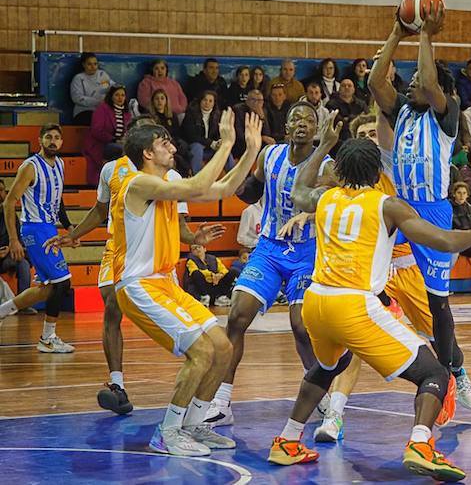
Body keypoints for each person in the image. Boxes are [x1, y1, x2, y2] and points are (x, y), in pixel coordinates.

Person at [268, 133, 471, 482]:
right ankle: (421, 444)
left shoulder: (324, 197)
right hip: (353, 305)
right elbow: (443, 240)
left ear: (340, 170)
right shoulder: (387, 204)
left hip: (316, 302)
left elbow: (299, 186)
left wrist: (324, 146)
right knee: (435, 373)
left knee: (331, 365)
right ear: (378, 172)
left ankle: (286, 440)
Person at [107, 109, 262, 456]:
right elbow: (198, 186)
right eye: (163, 143)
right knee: (202, 352)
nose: (172, 147)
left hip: (165, 283)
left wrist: (250, 151)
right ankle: (167, 431)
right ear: (147, 153)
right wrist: (225, 144)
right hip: (139, 285)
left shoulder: (165, 181)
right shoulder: (138, 182)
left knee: (222, 348)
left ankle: (193, 425)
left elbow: (218, 189)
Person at [45, 117, 225, 414]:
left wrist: (194, 238)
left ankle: (195, 390)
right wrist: (73, 235)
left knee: (199, 342)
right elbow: (100, 210)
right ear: (143, 147)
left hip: (157, 260)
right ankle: (118, 383)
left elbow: (179, 224)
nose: (163, 142)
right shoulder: (111, 171)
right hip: (120, 252)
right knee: (113, 307)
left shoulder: (172, 176)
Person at [368, 4, 471, 413]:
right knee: (363, 286)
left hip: (432, 209)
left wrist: (426, 35)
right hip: (398, 208)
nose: (412, 83)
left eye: (417, 80)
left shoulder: (446, 113)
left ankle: (455, 371)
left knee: (438, 304)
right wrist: (399, 32)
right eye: (412, 80)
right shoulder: (401, 110)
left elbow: (431, 80)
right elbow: (374, 80)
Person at [204, 103, 339, 427]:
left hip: (307, 251)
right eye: (296, 118)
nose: (302, 123)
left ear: (318, 128)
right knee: (236, 316)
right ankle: (222, 402)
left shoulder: (328, 165)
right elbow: (251, 192)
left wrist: (307, 214)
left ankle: (318, 390)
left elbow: (329, 206)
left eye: (309, 119)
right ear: (287, 127)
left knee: (301, 327)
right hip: (269, 248)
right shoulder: (270, 155)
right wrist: (237, 164)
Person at [0, 124, 75, 351]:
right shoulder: (31, 166)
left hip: (49, 228)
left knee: (48, 288)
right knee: (62, 283)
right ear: (40, 140)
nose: (53, 141)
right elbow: (9, 201)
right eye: (48, 137)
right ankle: (47, 339)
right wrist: (13, 239)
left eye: (57, 138)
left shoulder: (60, 164)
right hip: (34, 229)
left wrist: (70, 226)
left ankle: (2, 311)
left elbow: (57, 200)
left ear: (62, 142)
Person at [0, 180, 36, 315]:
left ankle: (22, 305)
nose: (0, 194)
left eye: (2, 190)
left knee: (23, 264)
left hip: (7, 255)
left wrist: (11, 249)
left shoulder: (10, 215)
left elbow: (17, 236)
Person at [83, 85, 131, 185]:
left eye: (122, 95)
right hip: (101, 144)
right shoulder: (102, 109)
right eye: (117, 95)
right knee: (122, 150)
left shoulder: (127, 113)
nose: (120, 98)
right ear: (111, 96)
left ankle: (122, 180)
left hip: (119, 144)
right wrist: (113, 139)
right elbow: (96, 130)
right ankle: (118, 179)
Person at [181, 90, 234, 174]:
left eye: (210, 101)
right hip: (193, 147)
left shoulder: (217, 115)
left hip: (210, 149)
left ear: (214, 103)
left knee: (225, 148)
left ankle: (232, 177)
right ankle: (195, 177)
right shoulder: (191, 114)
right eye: (205, 100)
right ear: (200, 101)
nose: (207, 103)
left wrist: (219, 141)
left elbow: (218, 134)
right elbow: (191, 136)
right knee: (197, 147)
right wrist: (210, 143)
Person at [150, 89, 191, 176]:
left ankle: (188, 174)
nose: (159, 101)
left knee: (184, 148)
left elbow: (177, 133)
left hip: (173, 142)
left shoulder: (172, 115)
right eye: (157, 99)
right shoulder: (150, 117)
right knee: (179, 158)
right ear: (153, 101)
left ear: (166, 101)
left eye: (162, 98)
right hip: (159, 144)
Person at [70, 52, 115, 125]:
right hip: (84, 112)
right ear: (83, 64)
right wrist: (98, 102)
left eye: (95, 64)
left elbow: (111, 87)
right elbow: (77, 98)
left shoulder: (102, 75)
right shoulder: (78, 78)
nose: (93, 67)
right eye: (89, 64)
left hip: (103, 110)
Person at [325, 79, 367, 144]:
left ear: (354, 89)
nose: (346, 87)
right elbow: (339, 123)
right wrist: (358, 118)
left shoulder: (361, 104)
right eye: (343, 86)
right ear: (339, 89)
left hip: (360, 137)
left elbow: (366, 120)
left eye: (349, 86)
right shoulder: (331, 104)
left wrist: (347, 118)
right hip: (340, 139)